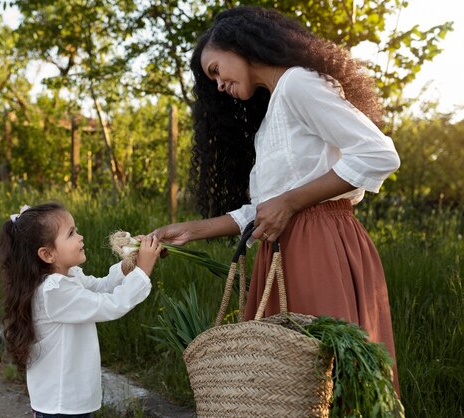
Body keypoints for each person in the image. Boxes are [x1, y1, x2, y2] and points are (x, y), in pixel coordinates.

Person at [149, 6, 401, 390]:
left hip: (320, 247)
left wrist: (291, 203)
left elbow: (377, 154)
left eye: (216, 69)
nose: (217, 85)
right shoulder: (274, 111)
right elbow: (267, 205)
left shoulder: (299, 84)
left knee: (322, 384)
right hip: (285, 248)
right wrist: (192, 230)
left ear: (239, 45)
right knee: (290, 389)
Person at [0, 202, 162, 417]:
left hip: (69, 398)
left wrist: (128, 266)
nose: (80, 237)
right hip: (62, 403)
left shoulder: (67, 277)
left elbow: (101, 287)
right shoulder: (54, 291)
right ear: (47, 255)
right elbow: (111, 304)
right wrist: (143, 270)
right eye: (71, 233)